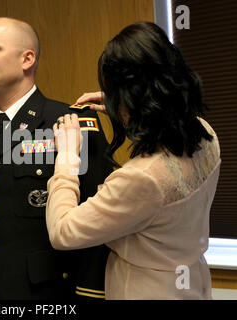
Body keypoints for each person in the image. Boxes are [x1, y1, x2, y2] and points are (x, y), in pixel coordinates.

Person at [46, 21, 221, 300]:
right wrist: (121, 104)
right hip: (191, 283)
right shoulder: (206, 134)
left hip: (145, 290)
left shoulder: (142, 178)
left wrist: (67, 157)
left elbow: (63, 231)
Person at [0, 17, 113, 299]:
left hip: (46, 295)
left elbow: (98, 223)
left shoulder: (72, 123)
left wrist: (90, 294)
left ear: (27, 59)